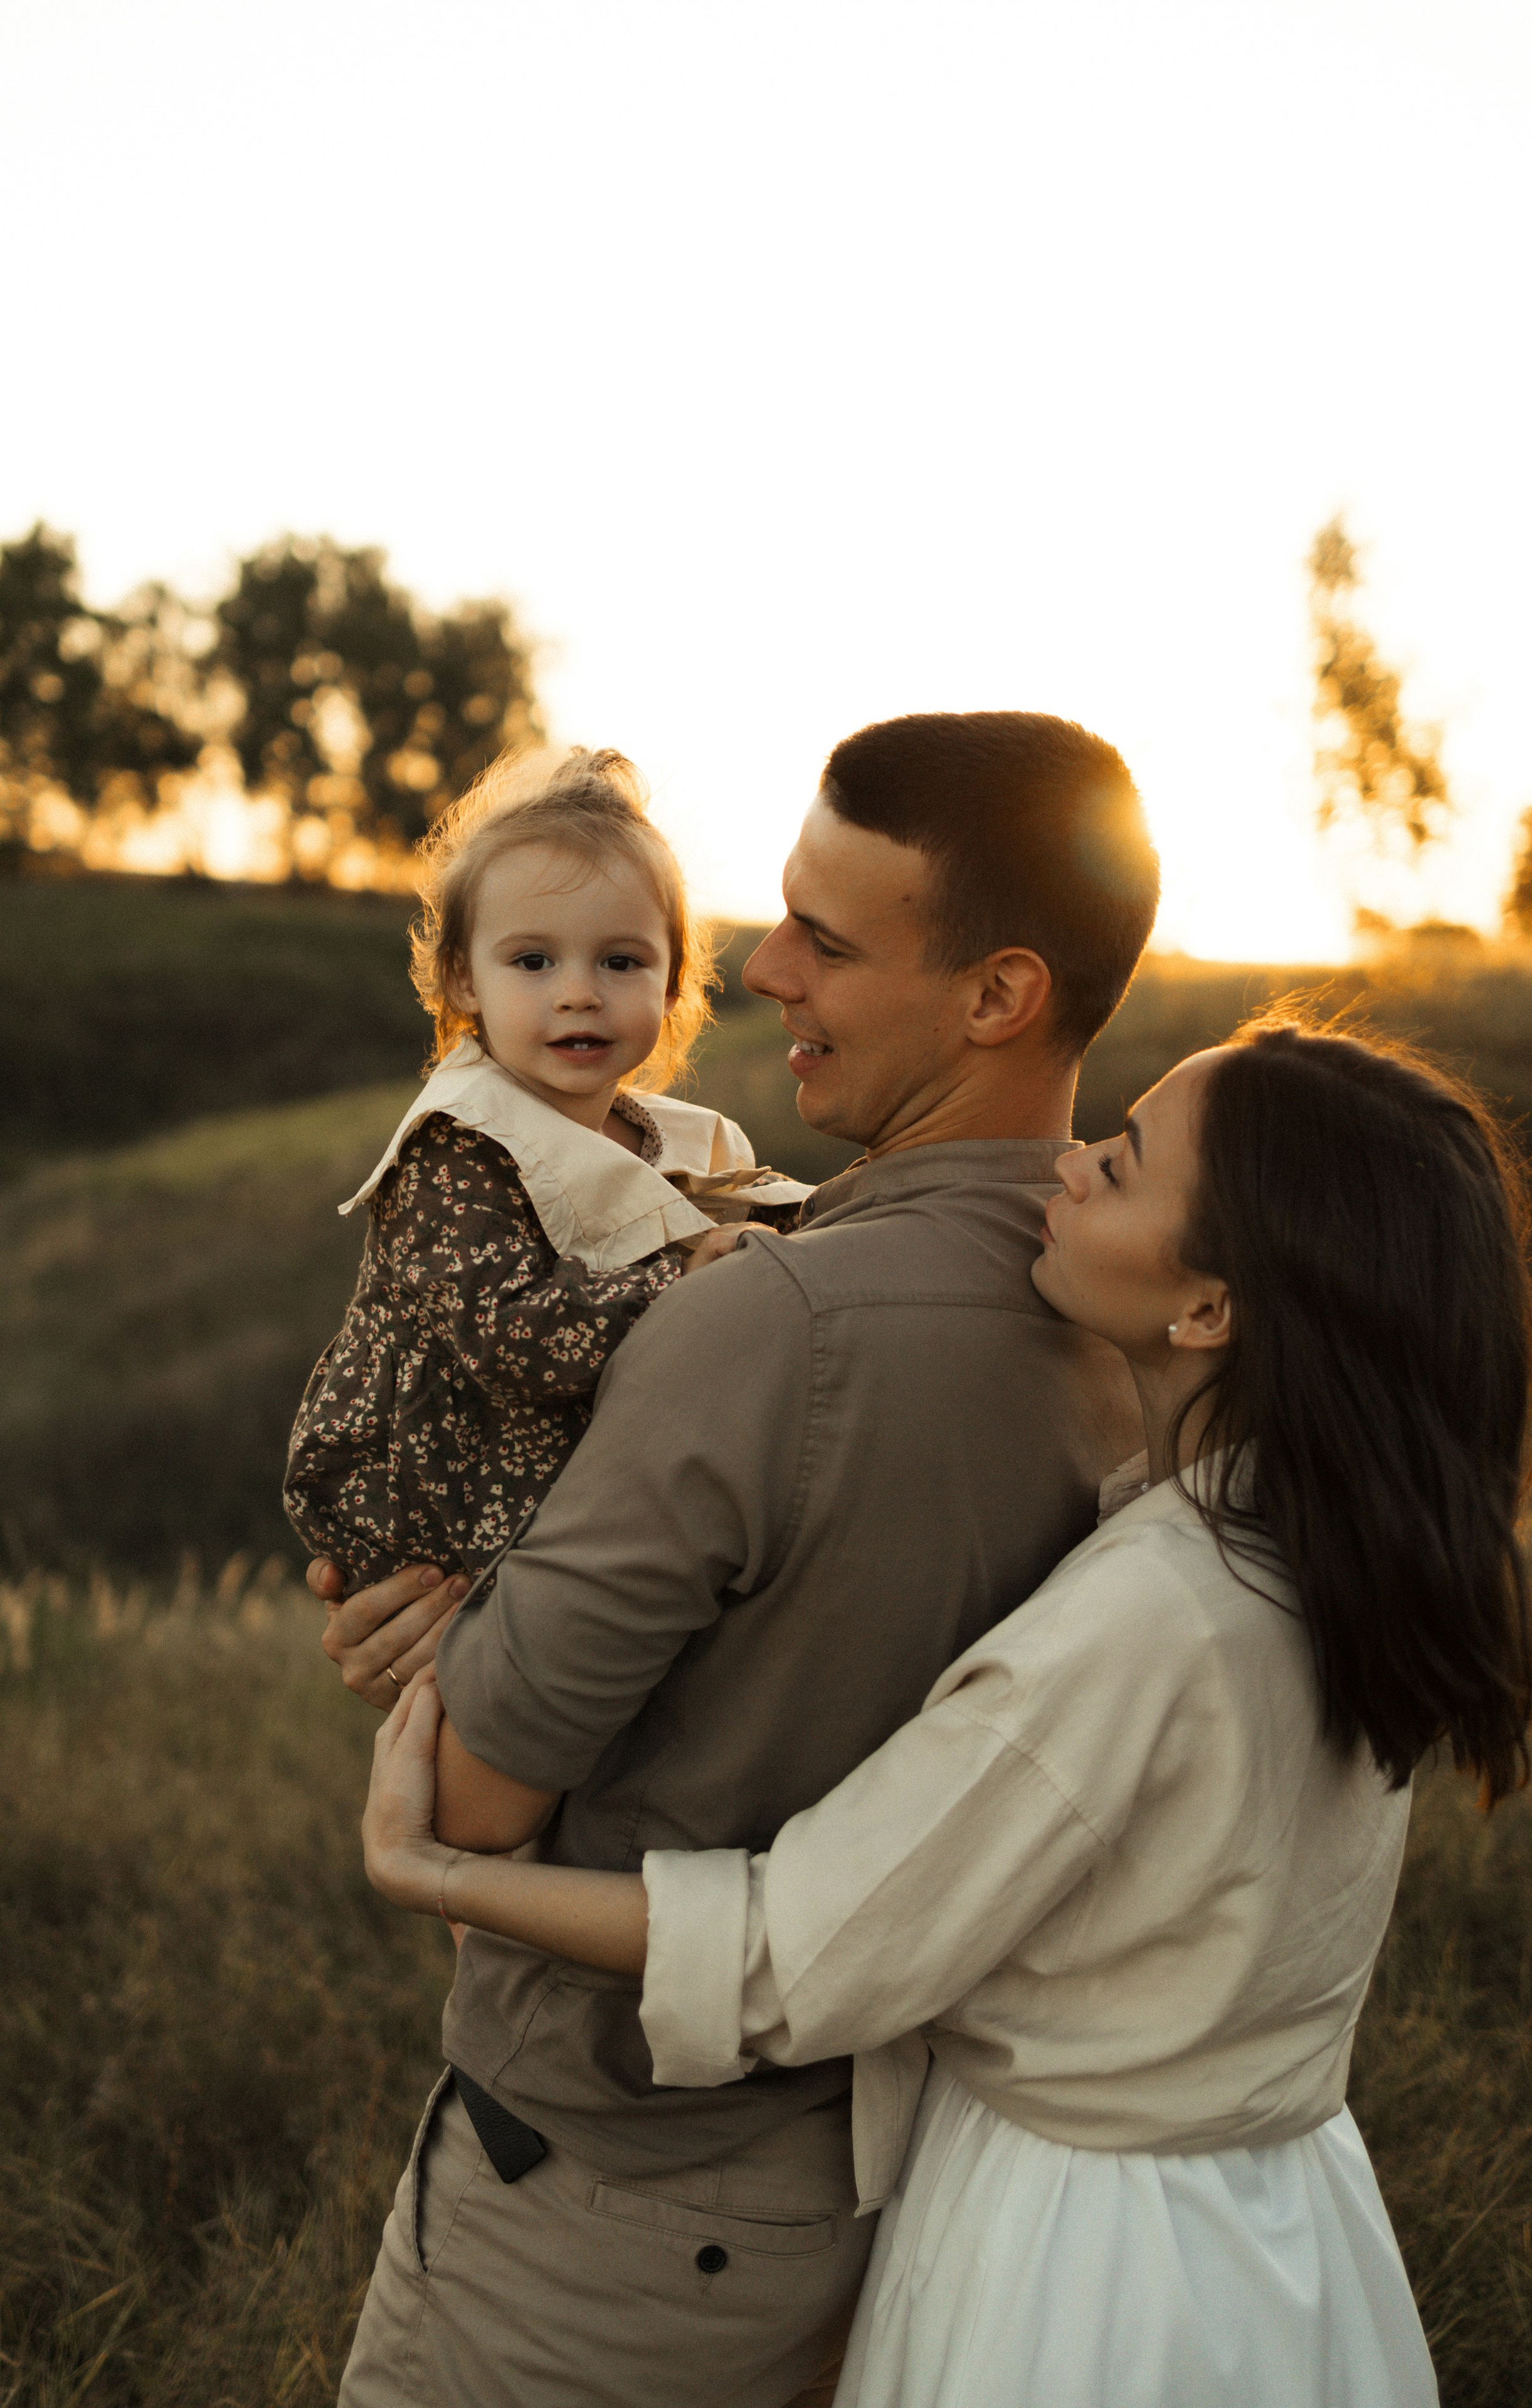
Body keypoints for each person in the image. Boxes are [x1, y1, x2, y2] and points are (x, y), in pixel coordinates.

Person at [363, 1017, 1532, 2408]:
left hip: (1085, 2268)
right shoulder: (1336, 1561)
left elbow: (791, 1951)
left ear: (1212, 1307)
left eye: (1118, 1160)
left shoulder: (1156, 1611)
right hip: (1283, 2233)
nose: (1067, 1167)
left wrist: (432, 1870)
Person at [313, 710, 1161, 2406]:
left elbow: (474, 1801)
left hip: (602, 2220)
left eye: (827, 941)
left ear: (996, 996)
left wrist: (454, 1628)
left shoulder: (761, 1323)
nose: (762, 968)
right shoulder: (1140, 1321)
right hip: (900, 2179)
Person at [285, 743, 806, 1592]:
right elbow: (503, 1335)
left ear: (672, 983)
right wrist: (681, 1284)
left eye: (621, 961)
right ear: (463, 978)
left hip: (543, 1483)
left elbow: (735, 1228)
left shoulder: (671, 1142)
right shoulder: (458, 1148)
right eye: (533, 961)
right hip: (430, 1484)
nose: (579, 993)